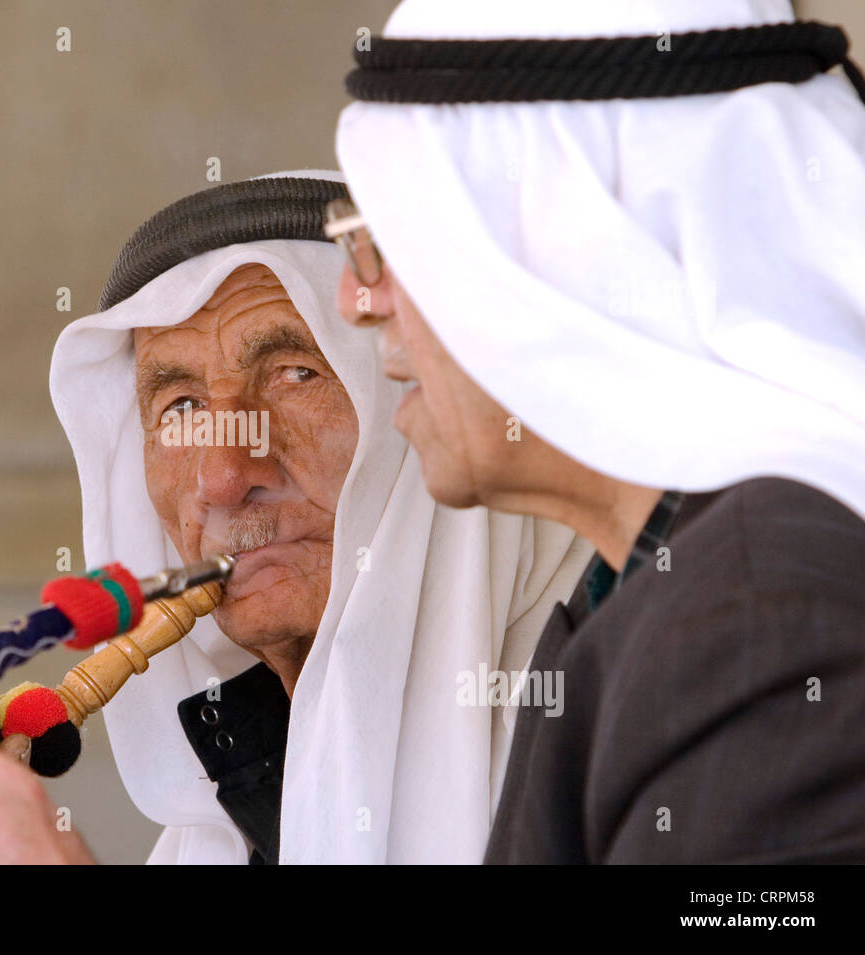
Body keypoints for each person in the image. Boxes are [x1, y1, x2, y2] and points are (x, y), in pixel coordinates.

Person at [0, 172, 592, 864]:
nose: (223, 477)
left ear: (412, 393)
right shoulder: (225, 821)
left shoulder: (602, 719)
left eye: (295, 374)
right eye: (181, 406)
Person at [331, 0, 865, 862]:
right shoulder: (662, 581)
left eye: (386, 240)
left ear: (560, 247)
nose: (358, 301)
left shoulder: (766, 617)